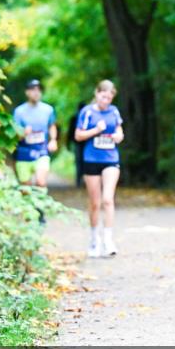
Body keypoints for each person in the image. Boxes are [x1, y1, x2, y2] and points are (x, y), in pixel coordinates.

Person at [73, 80, 124, 258]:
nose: (106, 101)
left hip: (111, 158)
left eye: (109, 98)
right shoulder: (87, 112)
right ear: (96, 93)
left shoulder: (114, 111)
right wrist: (96, 130)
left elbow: (120, 132)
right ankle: (94, 238)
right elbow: (78, 135)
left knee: (108, 199)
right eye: (103, 97)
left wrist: (118, 136)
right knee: (95, 203)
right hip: (91, 159)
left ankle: (108, 239)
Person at [13, 79, 57, 223]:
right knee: (25, 187)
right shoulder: (19, 111)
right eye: (32, 89)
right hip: (24, 152)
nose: (36, 92)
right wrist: (23, 133)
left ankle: (40, 210)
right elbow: (14, 134)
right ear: (27, 92)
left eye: (38, 89)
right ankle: (29, 213)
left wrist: (53, 140)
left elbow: (52, 125)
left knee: (40, 181)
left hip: (41, 151)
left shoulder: (48, 109)